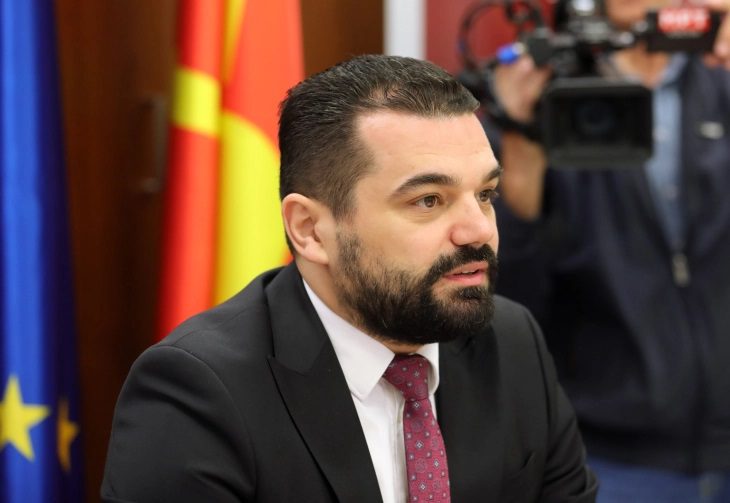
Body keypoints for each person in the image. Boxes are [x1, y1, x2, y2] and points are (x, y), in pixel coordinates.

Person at [101, 55, 597, 502]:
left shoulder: (511, 341)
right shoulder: (201, 391)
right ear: (310, 230)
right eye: (429, 200)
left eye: (485, 195)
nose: (478, 231)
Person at [490, 0, 730, 501]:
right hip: (608, 446)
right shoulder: (544, 94)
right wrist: (520, 135)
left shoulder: (718, 79)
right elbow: (508, 290)